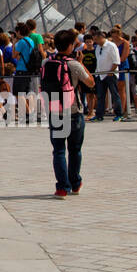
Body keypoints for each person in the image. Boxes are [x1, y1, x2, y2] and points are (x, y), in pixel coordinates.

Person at [44, 28, 93, 198]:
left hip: (55, 111)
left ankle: (62, 188)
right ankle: (75, 182)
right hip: (73, 111)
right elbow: (91, 83)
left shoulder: (46, 63)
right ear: (71, 46)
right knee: (75, 150)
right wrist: (81, 62)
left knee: (58, 151)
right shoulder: (74, 64)